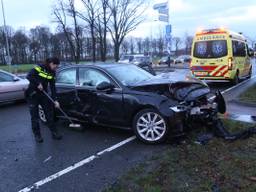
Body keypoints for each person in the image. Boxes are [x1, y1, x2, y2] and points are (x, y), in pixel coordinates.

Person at [25, 57, 62, 143]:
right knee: (34, 117)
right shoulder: (39, 67)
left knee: (49, 114)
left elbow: (53, 87)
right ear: (51, 63)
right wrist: (38, 83)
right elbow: (29, 76)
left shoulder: (52, 72)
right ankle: (37, 135)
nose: (56, 68)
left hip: (43, 94)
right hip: (32, 94)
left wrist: (55, 100)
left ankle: (54, 133)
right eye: (55, 66)